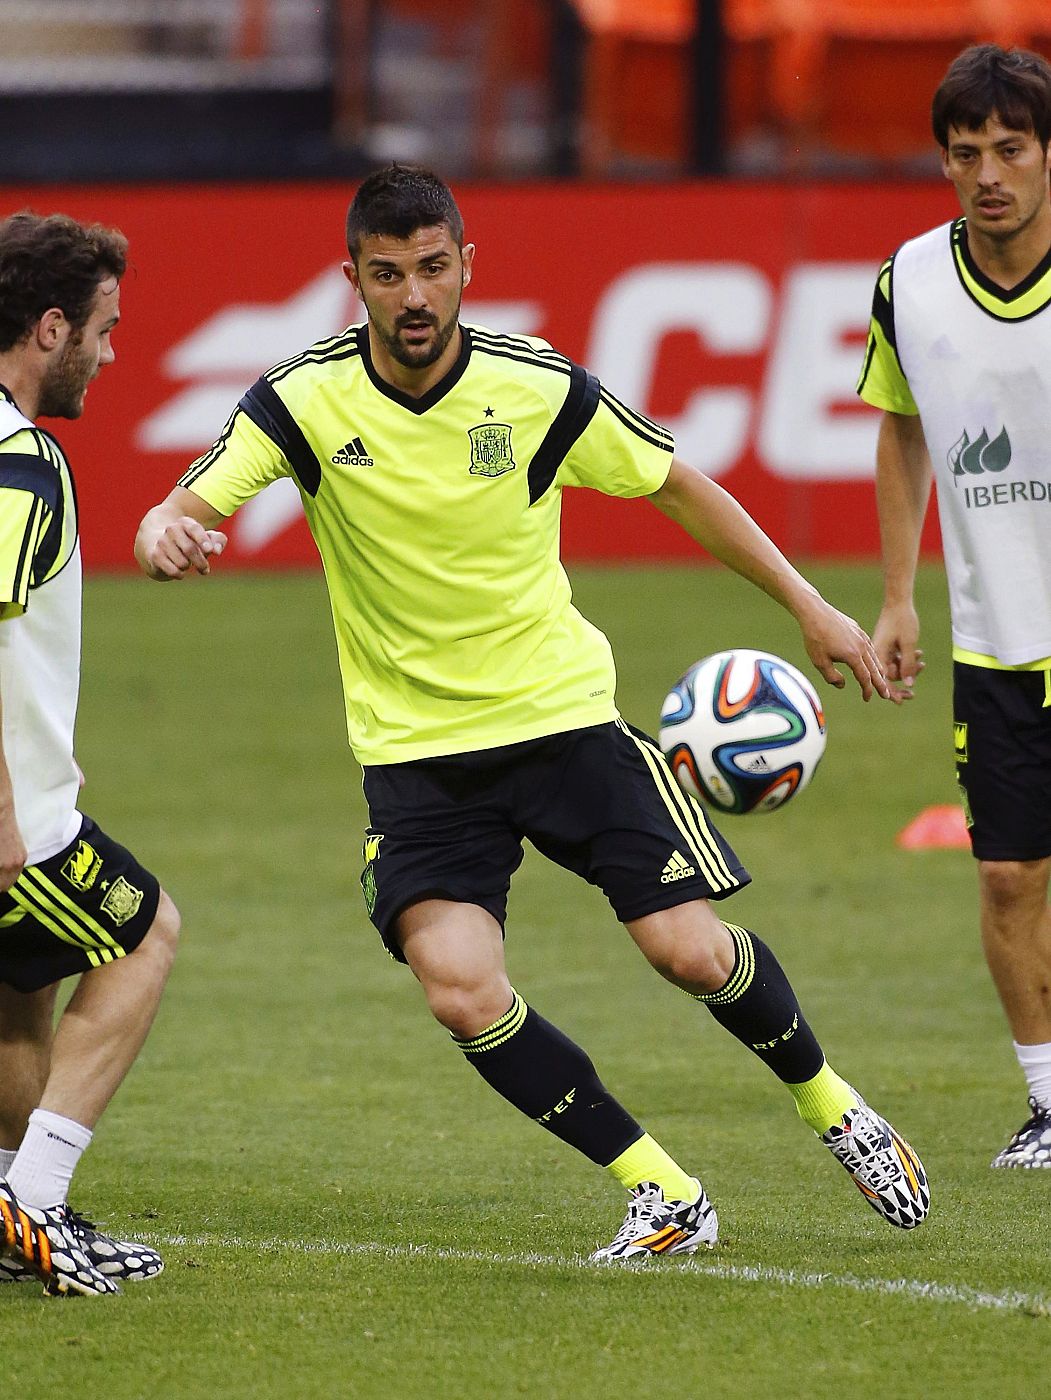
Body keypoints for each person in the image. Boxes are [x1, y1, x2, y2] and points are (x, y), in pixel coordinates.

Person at [137, 164, 929, 1259]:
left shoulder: (536, 386)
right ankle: (662, 1190)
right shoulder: (302, 398)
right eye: (386, 275)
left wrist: (808, 605)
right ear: (350, 280)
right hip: (419, 759)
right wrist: (164, 534)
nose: (412, 296)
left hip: (565, 724)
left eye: (430, 269)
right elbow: (187, 500)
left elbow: (677, 483)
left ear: (468, 265)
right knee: (461, 992)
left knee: (688, 950)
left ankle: (832, 1104)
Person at [860, 44, 1051, 1170]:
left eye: (1011, 150)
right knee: (1005, 871)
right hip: (995, 636)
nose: (988, 173)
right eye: (966, 152)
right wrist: (896, 596)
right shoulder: (908, 283)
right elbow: (900, 425)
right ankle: (1046, 1100)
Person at [0, 211, 181, 1295]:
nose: (111, 354)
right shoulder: (19, 462)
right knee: (144, 932)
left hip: (33, 786)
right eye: (104, 330)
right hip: (15, 814)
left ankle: (14, 1206)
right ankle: (38, 1204)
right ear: (51, 326)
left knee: (20, 988)